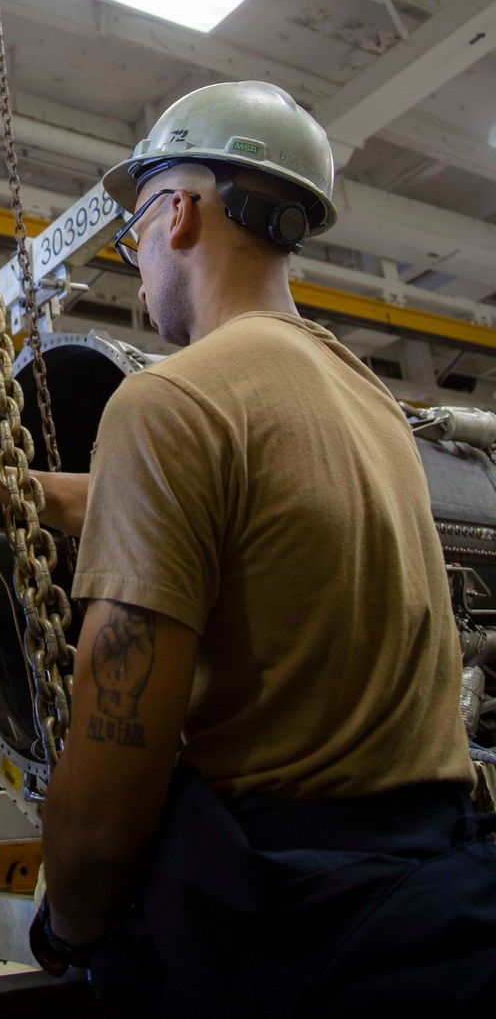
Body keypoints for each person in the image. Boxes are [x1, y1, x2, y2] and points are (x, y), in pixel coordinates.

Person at [24, 81, 496, 1015]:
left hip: (282, 937)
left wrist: (67, 926)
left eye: (135, 234)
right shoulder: (369, 404)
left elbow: (109, 797)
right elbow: (251, 523)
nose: (140, 260)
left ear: (181, 213)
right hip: (427, 914)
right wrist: (24, 493)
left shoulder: (166, 403)